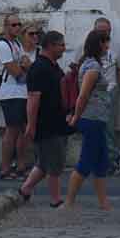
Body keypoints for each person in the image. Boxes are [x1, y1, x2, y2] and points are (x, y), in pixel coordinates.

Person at [17, 28, 71, 208]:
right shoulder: (39, 68)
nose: (64, 48)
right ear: (50, 46)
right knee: (55, 162)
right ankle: (55, 200)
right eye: (61, 45)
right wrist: (31, 125)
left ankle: (25, 190)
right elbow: (33, 98)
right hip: (46, 122)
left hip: (57, 120)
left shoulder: (53, 66)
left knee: (44, 162)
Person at [64, 29, 116, 211]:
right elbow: (83, 95)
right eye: (106, 42)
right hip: (91, 118)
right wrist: (76, 116)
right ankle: (69, 201)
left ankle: (104, 202)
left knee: (101, 162)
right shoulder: (93, 67)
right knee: (86, 161)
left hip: (98, 118)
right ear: (99, 44)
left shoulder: (93, 64)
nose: (108, 46)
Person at [0, 14, 31, 180]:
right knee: (12, 130)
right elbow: (16, 72)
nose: (17, 27)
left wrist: (24, 66)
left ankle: (21, 167)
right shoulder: (2, 45)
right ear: (6, 27)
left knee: (23, 130)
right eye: (14, 25)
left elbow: (26, 62)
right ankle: (5, 169)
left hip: (22, 92)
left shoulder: (16, 44)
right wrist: (24, 67)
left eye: (19, 24)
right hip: (11, 94)